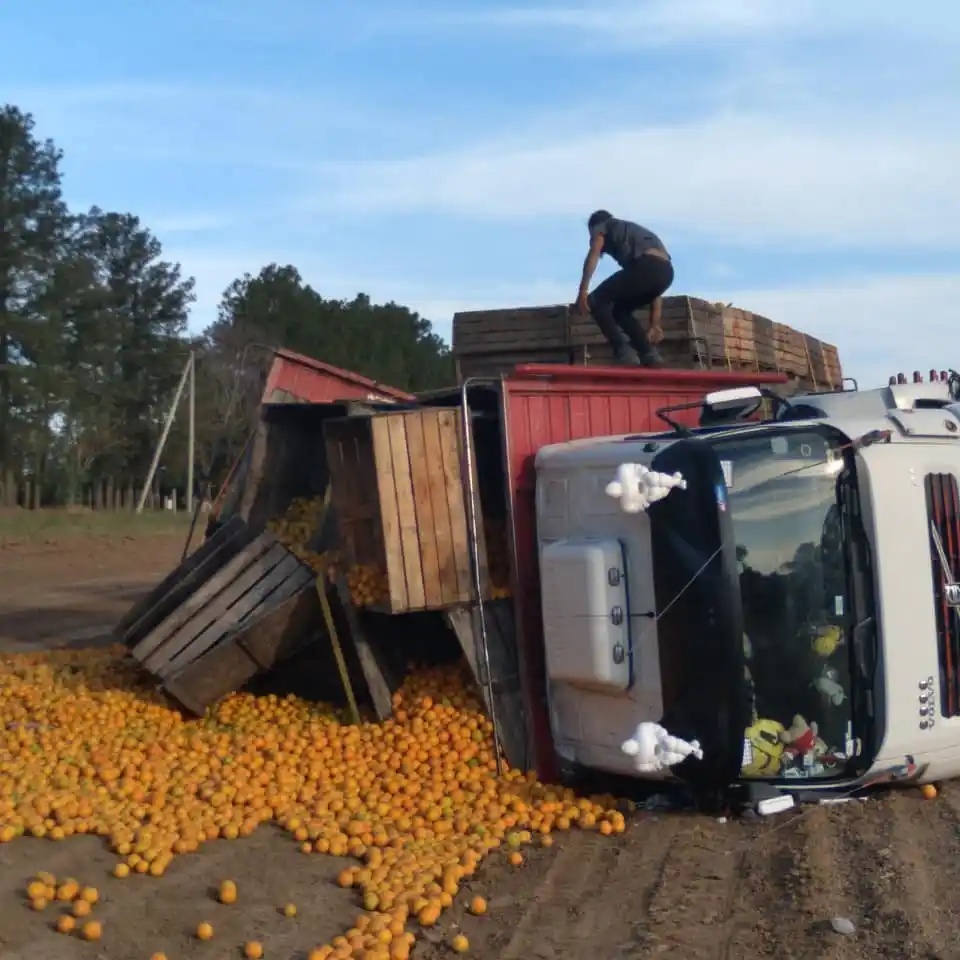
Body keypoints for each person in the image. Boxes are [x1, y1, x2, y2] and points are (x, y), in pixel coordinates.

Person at [573, 210, 675, 366]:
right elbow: (655, 289)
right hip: (666, 274)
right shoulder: (635, 235)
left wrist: (583, 291)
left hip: (645, 268)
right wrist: (654, 324)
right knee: (620, 311)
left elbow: (594, 254)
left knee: (594, 301)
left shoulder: (604, 226)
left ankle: (623, 351)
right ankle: (649, 353)